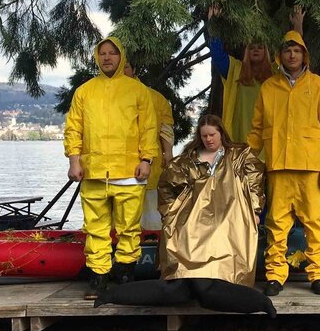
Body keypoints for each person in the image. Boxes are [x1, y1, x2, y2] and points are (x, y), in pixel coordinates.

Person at [94, 115, 276, 318]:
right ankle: (116, 294)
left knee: (218, 246)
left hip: (229, 217)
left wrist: (255, 210)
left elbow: (255, 181)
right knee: (183, 270)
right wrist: (171, 213)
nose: (208, 139)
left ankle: (240, 294)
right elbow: (166, 185)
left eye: (212, 135)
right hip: (192, 219)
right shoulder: (188, 159)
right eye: (204, 135)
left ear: (222, 133)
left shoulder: (239, 155)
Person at [64, 36, 159, 299]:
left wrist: (146, 159)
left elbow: (148, 127)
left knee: (129, 227)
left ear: (122, 57)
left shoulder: (137, 90)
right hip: (93, 172)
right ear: (97, 57)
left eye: (112, 53)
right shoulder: (84, 91)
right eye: (103, 53)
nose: (107, 57)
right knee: (95, 228)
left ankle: (126, 275)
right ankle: (98, 279)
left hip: (130, 171)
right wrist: (74, 160)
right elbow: (74, 128)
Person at [247, 29, 320, 297]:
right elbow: (256, 129)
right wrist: (246, 159)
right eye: (287, 50)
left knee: (315, 222)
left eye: (297, 50)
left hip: (311, 167)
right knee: (276, 224)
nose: (292, 55)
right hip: (277, 166)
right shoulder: (268, 87)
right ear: (280, 55)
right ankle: (275, 275)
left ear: (304, 55)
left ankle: (319, 274)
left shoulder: (319, 86)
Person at [208, 6, 304, 142]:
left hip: (270, 142)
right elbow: (217, 54)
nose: (256, 50)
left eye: (260, 47)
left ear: (266, 51)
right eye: (251, 47)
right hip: (239, 140)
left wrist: (297, 27)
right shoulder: (235, 69)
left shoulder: (275, 72)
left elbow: (294, 55)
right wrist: (213, 24)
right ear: (246, 51)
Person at [122, 62, 174, 231]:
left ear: (134, 69)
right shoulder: (103, 98)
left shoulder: (155, 98)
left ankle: (152, 246)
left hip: (150, 164)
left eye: (127, 67)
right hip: (118, 167)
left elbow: (166, 128)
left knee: (151, 212)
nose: (122, 71)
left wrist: (168, 153)